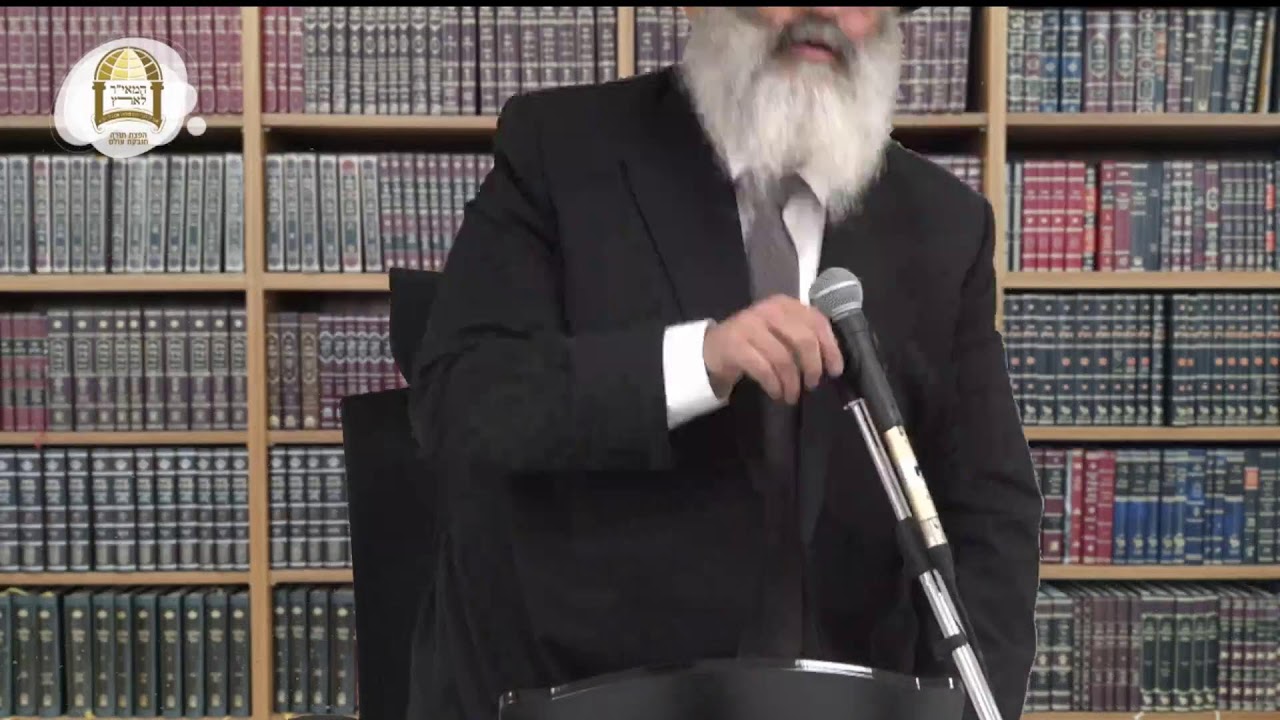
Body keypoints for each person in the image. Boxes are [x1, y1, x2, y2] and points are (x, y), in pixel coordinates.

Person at [405, 6, 1042, 720]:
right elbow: (462, 398)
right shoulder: (560, 150)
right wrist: (696, 362)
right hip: (594, 686)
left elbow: (990, 512)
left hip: (849, 695)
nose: (824, 12)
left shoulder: (944, 223)